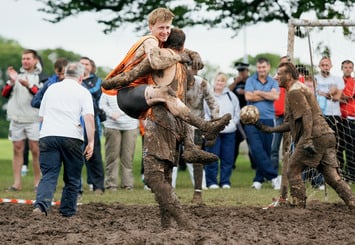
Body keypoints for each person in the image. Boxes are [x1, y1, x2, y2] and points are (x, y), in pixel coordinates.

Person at [101, 7, 231, 163]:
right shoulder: (151, 41)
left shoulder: (163, 43)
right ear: (151, 27)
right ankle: (205, 126)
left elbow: (186, 51)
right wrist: (178, 57)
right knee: (166, 93)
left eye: (168, 27)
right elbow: (155, 61)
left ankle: (190, 148)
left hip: (143, 94)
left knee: (177, 106)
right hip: (128, 94)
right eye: (161, 27)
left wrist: (196, 56)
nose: (165, 31)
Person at [255, 62, 355, 209]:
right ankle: (352, 202)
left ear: (288, 76)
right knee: (331, 176)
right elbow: (293, 123)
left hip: (315, 136)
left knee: (293, 170)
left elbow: (307, 114)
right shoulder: (298, 88)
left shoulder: (295, 91)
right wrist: (270, 129)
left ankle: (298, 207)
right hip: (326, 134)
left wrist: (307, 139)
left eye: (279, 74)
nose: (276, 78)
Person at [32, 62, 95, 217]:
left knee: (49, 175)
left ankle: (40, 206)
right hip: (72, 136)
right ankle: (67, 212)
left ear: (66, 74)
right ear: (81, 77)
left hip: (48, 135)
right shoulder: (83, 91)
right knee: (72, 177)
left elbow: (41, 116)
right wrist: (91, 142)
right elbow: (88, 117)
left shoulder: (51, 88)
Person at [171, 67, 220, 203]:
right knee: (172, 157)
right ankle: (168, 191)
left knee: (197, 157)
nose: (187, 82)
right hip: (176, 125)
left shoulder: (202, 84)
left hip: (196, 126)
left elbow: (213, 104)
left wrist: (213, 128)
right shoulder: (173, 84)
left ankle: (198, 192)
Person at [1, 49, 42, 192]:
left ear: (35, 60)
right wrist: (12, 82)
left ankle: (38, 183)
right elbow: (4, 94)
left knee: (36, 150)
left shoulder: (40, 77)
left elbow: (40, 95)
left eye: (28, 59)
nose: (25, 61)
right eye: (23, 58)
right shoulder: (16, 76)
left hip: (33, 119)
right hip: (16, 119)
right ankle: (16, 183)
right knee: (17, 149)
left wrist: (29, 85)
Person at [244, 57, 281, 190]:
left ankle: (258, 179)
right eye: (259, 67)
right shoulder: (250, 80)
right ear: (256, 68)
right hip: (251, 119)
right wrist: (267, 94)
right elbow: (248, 97)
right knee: (256, 148)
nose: (261, 70)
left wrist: (258, 92)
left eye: (263, 67)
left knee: (266, 150)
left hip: (268, 119)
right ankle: (274, 177)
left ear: (268, 67)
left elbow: (275, 97)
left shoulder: (273, 81)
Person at [205, 72, 240, 189]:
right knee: (212, 157)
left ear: (225, 83)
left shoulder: (231, 96)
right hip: (213, 132)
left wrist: (234, 123)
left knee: (227, 158)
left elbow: (237, 112)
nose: (220, 83)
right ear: (214, 81)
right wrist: (210, 125)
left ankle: (225, 181)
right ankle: (211, 182)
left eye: (222, 81)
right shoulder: (208, 96)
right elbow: (204, 112)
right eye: (218, 80)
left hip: (229, 133)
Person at [99, 92, 138, 191]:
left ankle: (127, 184)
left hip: (130, 126)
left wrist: (120, 113)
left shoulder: (131, 88)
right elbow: (101, 104)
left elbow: (134, 104)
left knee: (128, 157)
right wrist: (111, 113)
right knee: (112, 156)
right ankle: (111, 184)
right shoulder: (108, 90)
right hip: (112, 126)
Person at [80, 57, 105, 194]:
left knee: (94, 153)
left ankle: (98, 186)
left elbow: (94, 92)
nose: (84, 66)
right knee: (76, 153)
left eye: (86, 64)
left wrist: (79, 85)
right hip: (75, 120)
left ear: (92, 66)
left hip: (91, 119)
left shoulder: (97, 81)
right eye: (81, 64)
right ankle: (77, 187)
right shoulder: (73, 81)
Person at [315, 56, 345, 171]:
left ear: (331, 66)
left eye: (327, 65)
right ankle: (319, 171)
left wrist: (323, 93)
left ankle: (337, 170)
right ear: (319, 66)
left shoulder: (337, 79)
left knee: (335, 143)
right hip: (319, 114)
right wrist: (331, 92)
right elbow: (313, 95)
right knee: (318, 143)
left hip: (334, 115)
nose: (325, 67)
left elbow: (338, 97)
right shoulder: (314, 78)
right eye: (323, 65)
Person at [229, 62, 256, 170]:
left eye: (243, 71)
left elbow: (254, 94)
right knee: (235, 143)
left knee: (251, 141)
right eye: (239, 71)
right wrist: (236, 82)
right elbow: (227, 91)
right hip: (238, 117)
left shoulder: (252, 81)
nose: (241, 73)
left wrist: (244, 91)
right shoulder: (236, 81)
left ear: (247, 71)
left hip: (249, 115)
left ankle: (254, 164)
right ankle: (232, 165)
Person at [340, 59, 355, 183]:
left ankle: (351, 174)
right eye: (345, 67)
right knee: (339, 147)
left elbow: (347, 95)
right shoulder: (337, 81)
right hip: (339, 118)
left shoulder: (353, 82)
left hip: (351, 118)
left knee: (351, 148)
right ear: (342, 68)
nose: (348, 69)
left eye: (350, 67)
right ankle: (339, 173)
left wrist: (335, 95)